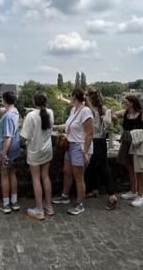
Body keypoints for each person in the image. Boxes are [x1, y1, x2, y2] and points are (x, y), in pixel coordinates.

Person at [52, 88, 93, 216]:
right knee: (67, 172)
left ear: (75, 97)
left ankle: (80, 204)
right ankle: (65, 196)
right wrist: (55, 127)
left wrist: (85, 152)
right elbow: (68, 126)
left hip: (79, 147)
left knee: (78, 177)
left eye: (70, 96)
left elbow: (89, 133)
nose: (69, 98)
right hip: (70, 145)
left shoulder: (86, 111)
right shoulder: (73, 110)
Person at [114, 95, 143, 207]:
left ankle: (141, 196)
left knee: (139, 170)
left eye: (126, 102)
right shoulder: (125, 113)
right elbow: (113, 114)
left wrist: (139, 132)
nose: (124, 103)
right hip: (127, 142)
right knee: (130, 168)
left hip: (138, 144)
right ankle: (133, 192)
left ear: (132, 103)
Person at [20, 92, 54, 220]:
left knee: (36, 179)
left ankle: (39, 209)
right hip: (47, 150)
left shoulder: (31, 116)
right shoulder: (50, 112)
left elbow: (24, 137)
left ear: (34, 102)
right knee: (45, 177)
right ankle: (49, 207)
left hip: (35, 150)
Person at [85, 88, 117, 210]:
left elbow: (113, 118)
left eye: (88, 95)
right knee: (92, 166)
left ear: (91, 96)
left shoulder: (101, 107)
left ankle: (112, 195)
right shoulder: (90, 107)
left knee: (104, 167)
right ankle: (94, 189)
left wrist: (107, 117)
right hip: (94, 139)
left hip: (99, 140)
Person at [0, 91, 21, 214]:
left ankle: (6, 204)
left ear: (5, 100)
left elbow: (8, 136)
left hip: (8, 149)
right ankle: (14, 202)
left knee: (5, 175)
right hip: (16, 148)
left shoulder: (7, 117)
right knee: (13, 174)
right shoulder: (15, 111)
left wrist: (3, 153)